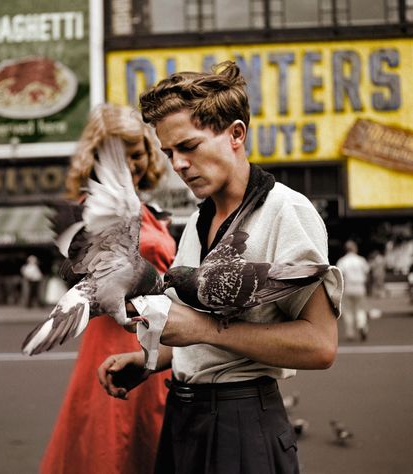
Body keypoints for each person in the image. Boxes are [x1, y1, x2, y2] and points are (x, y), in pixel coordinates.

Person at [98, 61, 343, 474]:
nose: (177, 165)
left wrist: (201, 329)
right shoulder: (198, 219)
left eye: (188, 147)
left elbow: (321, 345)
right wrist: (152, 360)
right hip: (184, 415)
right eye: (169, 153)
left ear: (235, 134)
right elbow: (198, 336)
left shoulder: (288, 211)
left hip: (243, 421)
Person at [40, 104, 177, 474]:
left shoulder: (152, 212)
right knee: (111, 448)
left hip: (164, 343)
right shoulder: (88, 213)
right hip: (114, 341)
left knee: (155, 442)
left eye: (137, 154)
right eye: (119, 154)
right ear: (96, 157)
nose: (131, 164)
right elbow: (77, 272)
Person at [337, 240, 370, 341]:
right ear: (355, 248)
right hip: (360, 286)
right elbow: (367, 273)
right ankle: (361, 324)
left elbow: (339, 275)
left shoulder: (342, 261)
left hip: (348, 287)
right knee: (360, 308)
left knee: (348, 311)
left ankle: (350, 333)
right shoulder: (361, 260)